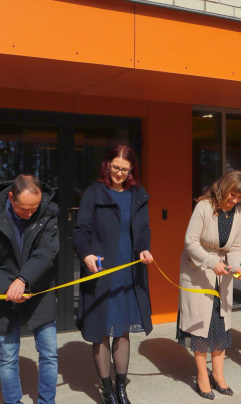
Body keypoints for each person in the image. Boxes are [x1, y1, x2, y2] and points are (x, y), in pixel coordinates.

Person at [73, 144, 153, 404]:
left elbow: (143, 230)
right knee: (101, 332)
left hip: (129, 275)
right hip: (101, 273)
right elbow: (81, 231)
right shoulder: (94, 193)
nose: (119, 173)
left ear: (132, 170)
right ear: (107, 165)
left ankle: (121, 390)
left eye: (124, 169)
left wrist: (144, 249)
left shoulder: (138, 194)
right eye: (115, 167)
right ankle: (107, 391)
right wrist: (86, 254)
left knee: (122, 332)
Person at [0, 174, 59, 404]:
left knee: (49, 354)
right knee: (8, 356)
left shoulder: (49, 211)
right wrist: (7, 288)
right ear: (11, 197)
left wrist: (23, 280)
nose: (29, 214)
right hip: (4, 293)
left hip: (39, 289)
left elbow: (47, 253)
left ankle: (47, 401)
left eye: (34, 208)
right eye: (24, 209)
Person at [177, 170, 241, 400]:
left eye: (240, 197)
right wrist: (211, 262)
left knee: (221, 325)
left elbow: (237, 248)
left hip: (223, 275)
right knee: (202, 326)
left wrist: (236, 267)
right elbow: (190, 242)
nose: (234, 200)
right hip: (198, 270)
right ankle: (202, 376)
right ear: (223, 188)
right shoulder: (204, 206)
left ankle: (218, 375)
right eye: (232, 195)